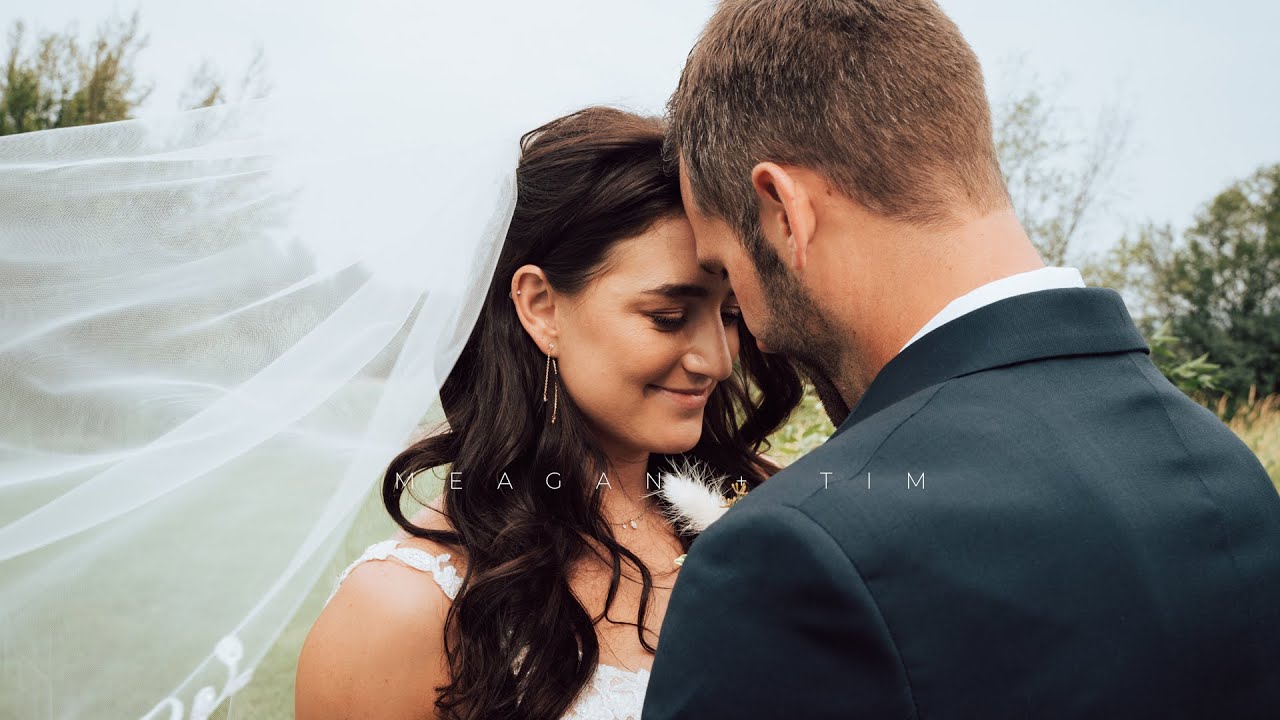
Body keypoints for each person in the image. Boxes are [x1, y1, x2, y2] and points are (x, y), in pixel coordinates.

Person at [641, 1, 1280, 717]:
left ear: (785, 210)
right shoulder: (1229, 474)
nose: (750, 338)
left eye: (728, 270)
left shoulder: (792, 556)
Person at [294, 107, 802, 720]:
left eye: (730, 314)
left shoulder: (765, 502)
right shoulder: (400, 612)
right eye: (668, 317)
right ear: (540, 307)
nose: (718, 362)